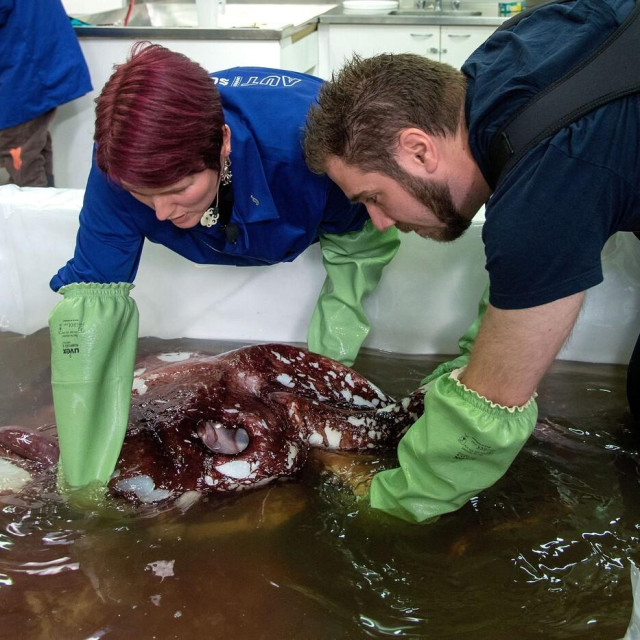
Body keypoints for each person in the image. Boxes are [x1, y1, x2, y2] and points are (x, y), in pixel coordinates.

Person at [303, 0, 640, 523]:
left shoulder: (544, 179)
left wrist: (384, 504)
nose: (380, 222)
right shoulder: (496, 68)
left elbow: (491, 406)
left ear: (418, 150)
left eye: (374, 196)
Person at [48, 42, 399, 489]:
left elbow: (357, 252)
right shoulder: (121, 171)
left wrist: (323, 380)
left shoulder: (315, 149)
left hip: (294, 168)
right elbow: (90, 308)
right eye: (142, 195)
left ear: (224, 144)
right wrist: (82, 482)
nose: (160, 213)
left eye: (179, 188)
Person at [0, 0, 92, 187]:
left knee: (19, 149)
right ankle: (41, 204)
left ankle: (30, 211)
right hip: (36, 67)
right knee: (32, 147)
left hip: (27, 73)